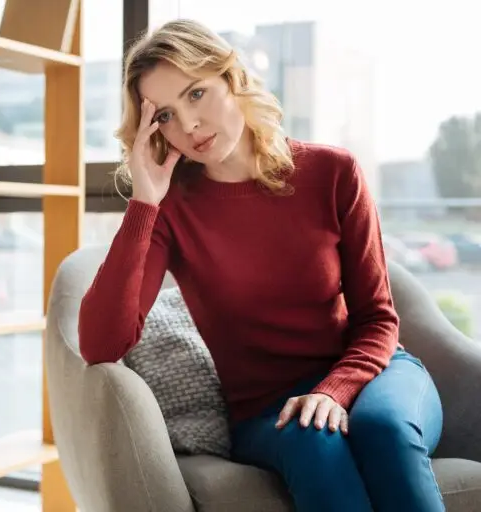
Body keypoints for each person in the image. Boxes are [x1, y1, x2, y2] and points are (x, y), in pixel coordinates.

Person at [77, 18, 445, 512]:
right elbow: (101, 343)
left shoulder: (333, 173)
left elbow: (378, 319)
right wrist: (144, 202)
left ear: (232, 79)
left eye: (196, 93)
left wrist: (335, 390)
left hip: (375, 374)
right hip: (266, 408)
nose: (188, 125)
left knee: (382, 429)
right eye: (164, 115)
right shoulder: (171, 208)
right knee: (316, 443)